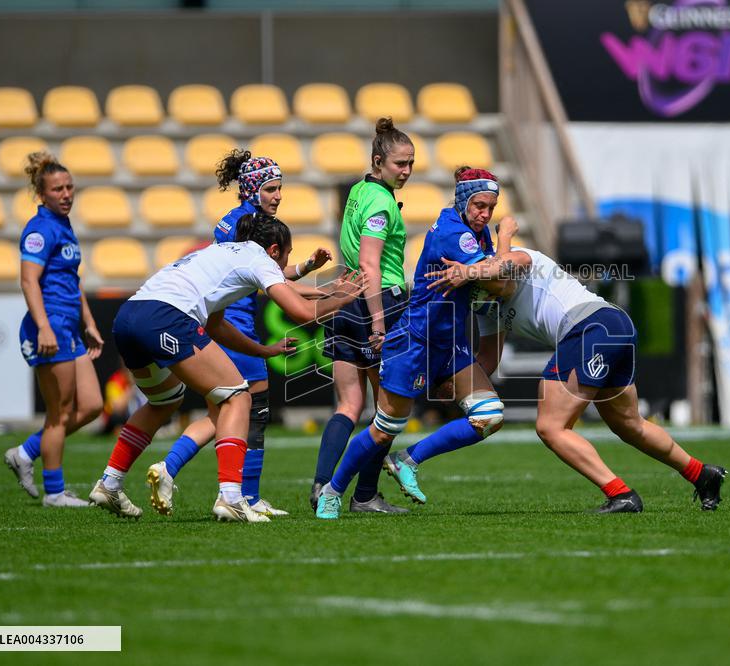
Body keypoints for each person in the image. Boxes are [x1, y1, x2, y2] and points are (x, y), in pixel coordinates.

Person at [424, 217, 727, 512]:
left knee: (550, 427)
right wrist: (459, 386)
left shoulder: (517, 259)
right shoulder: (488, 308)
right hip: (612, 326)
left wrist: (502, 236)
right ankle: (702, 474)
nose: (490, 287)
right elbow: (487, 360)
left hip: (590, 327)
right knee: (630, 425)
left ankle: (621, 494)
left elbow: (503, 267)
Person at [88, 214, 365, 522]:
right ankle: (231, 497)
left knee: (164, 401)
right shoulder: (259, 259)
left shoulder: (222, 252)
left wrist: (263, 350)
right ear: (274, 250)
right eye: (286, 255)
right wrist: (341, 298)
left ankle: (110, 483)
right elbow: (301, 312)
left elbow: (217, 326)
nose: (285, 264)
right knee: (237, 397)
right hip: (165, 317)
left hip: (129, 315)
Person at [145, 151, 330, 518]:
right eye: (272, 189)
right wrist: (330, 293)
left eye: (280, 189)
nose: (278, 196)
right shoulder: (247, 225)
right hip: (235, 325)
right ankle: (243, 494)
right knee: (254, 411)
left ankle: (169, 468)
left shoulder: (240, 221)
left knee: (221, 415)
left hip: (227, 321)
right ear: (252, 190)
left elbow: (269, 275)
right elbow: (264, 282)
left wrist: (309, 269)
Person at [314, 166, 505, 520]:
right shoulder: (455, 235)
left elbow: (492, 272)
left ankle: (408, 459)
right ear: (464, 200)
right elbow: (501, 282)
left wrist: (487, 265)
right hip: (416, 343)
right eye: (479, 205)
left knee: (489, 416)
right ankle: (333, 490)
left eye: (491, 208)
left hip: (450, 344)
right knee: (384, 428)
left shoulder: (473, 232)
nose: (486, 214)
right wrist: (506, 238)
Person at [310, 117, 415, 515]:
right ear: (378, 161)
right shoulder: (381, 201)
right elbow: (372, 264)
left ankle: (322, 483)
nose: (405, 171)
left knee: (348, 404)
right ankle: (365, 495)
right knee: (387, 408)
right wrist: (378, 321)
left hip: (345, 296)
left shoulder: (359, 189)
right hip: (378, 302)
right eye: (399, 164)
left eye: (410, 163)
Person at [3, 152, 104, 507]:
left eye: (69, 187)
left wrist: (89, 322)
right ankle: (55, 491)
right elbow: (29, 281)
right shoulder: (40, 228)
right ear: (41, 195)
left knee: (92, 405)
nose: (66, 194)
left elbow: (71, 281)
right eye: (57, 189)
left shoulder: (64, 225)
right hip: (49, 328)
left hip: (69, 328)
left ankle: (25, 452)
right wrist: (44, 327)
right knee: (58, 413)